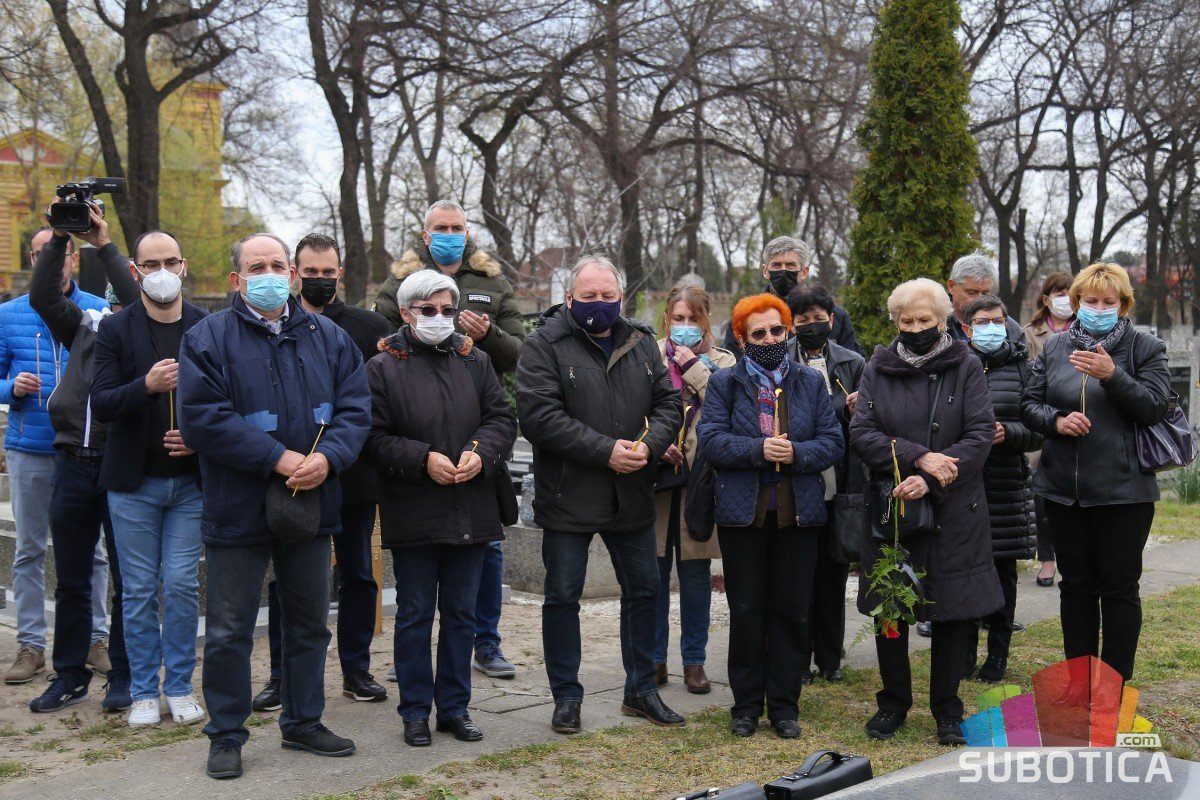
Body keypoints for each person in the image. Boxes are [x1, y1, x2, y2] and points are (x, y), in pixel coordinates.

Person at [178, 233, 371, 780]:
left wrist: (329, 458)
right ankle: (226, 733)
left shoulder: (330, 337)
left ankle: (304, 721)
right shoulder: (207, 337)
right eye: (255, 266)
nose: (268, 274)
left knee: (309, 622)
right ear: (236, 279)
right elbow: (202, 417)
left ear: (292, 275)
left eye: (277, 265)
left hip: (311, 501)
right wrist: (275, 458)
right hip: (237, 504)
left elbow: (356, 409)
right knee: (229, 630)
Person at [516, 254, 683, 734]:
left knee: (645, 591)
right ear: (569, 298)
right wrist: (605, 450)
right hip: (569, 494)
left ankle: (641, 690)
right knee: (562, 598)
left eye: (608, 295)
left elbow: (668, 403)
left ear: (621, 298)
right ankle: (566, 698)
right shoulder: (544, 344)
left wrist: (649, 446)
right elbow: (539, 417)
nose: (599, 303)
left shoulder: (641, 342)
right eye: (589, 296)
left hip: (631, 490)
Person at [364, 270, 517, 747]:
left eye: (448, 310)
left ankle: (454, 707)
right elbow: (373, 436)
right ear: (406, 313)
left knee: (461, 614)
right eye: (428, 310)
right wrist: (422, 459)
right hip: (415, 506)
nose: (439, 317)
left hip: (471, 504)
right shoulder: (382, 367)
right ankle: (414, 710)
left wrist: (480, 453)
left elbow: (501, 418)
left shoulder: (476, 360)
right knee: (414, 614)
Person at [373, 200, 524, 680]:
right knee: (417, 599)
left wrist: (487, 334)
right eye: (441, 227)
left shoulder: (492, 282)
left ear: (467, 231)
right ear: (425, 234)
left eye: (457, 227)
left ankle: (487, 642)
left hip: (472, 439)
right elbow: (380, 340)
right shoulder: (399, 282)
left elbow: (518, 352)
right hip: (417, 460)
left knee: (483, 560)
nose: (449, 234)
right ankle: (413, 669)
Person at [849, 277, 1002, 746]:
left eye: (924, 320)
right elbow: (863, 432)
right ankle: (893, 702)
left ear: (943, 319)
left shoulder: (966, 364)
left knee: (952, 609)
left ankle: (947, 709)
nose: (915, 328)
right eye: (906, 320)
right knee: (892, 606)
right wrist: (917, 458)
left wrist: (932, 478)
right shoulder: (878, 367)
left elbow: (980, 434)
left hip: (954, 506)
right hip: (894, 503)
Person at [252, 234, 392, 713]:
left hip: (352, 472)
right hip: (292, 473)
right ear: (295, 272)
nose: (319, 280)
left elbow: (373, 401)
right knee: (287, 580)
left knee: (358, 575)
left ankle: (356, 669)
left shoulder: (369, 327)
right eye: (310, 272)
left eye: (327, 272)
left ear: (340, 272)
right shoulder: (274, 323)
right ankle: (282, 675)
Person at [698, 293, 843, 739]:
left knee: (792, 612)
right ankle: (745, 706)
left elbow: (833, 442)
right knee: (746, 611)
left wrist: (795, 453)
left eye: (776, 330)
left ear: (788, 331)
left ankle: (783, 706)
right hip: (743, 516)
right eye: (757, 333)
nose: (769, 339)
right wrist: (759, 449)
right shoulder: (724, 383)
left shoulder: (810, 381)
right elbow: (711, 440)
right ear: (742, 339)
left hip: (799, 516)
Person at [1021, 263, 1170, 684]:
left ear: (1123, 304)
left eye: (1109, 301)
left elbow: (1155, 407)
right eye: (1091, 300)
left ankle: (1113, 684)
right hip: (1063, 489)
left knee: (1119, 589)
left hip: (1124, 492)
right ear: (1077, 302)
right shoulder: (1056, 346)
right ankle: (1080, 682)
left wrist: (1114, 376)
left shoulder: (1144, 347)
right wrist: (1056, 421)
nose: (1099, 308)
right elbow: (1029, 404)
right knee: (1076, 587)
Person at [90, 231, 209, 727]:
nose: (162, 272)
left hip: (191, 484)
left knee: (180, 585)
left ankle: (179, 685)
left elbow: (227, 400)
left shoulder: (206, 326)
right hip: (133, 484)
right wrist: (147, 385)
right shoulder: (115, 329)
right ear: (135, 271)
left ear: (184, 266)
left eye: (170, 261)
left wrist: (199, 439)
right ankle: (142, 689)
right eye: (151, 263)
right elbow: (102, 402)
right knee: (138, 590)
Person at [27, 206, 139, 714]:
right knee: (71, 578)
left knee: (127, 579)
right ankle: (70, 674)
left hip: (121, 465)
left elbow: (135, 301)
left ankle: (123, 673)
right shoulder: (85, 326)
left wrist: (104, 244)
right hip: (73, 462)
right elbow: (43, 297)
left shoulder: (140, 329)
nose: (114, 306)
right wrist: (58, 239)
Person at [2, 227, 112, 684]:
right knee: (29, 549)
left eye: (63, 252)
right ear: (35, 259)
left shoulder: (98, 310)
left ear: (73, 258)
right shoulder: (8, 314)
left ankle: (96, 639)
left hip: (86, 451)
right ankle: (31, 645)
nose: (53, 260)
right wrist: (10, 387)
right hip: (30, 448)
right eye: (41, 253)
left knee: (95, 553)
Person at [652, 282, 736, 694]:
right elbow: (632, 408)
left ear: (706, 321)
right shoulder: (649, 355)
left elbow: (728, 404)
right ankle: (653, 658)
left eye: (693, 319)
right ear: (667, 319)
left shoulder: (723, 361)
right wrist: (653, 444)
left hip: (701, 482)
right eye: (678, 318)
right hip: (656, 480)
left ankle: (694, 661)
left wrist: (692, 367)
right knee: (653, 573)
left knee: (696, 574)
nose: (684, 326)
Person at [958, 295, 1042, 684]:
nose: (991, 328)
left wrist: (1008, 433)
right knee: (963, 570)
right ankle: (963, 652)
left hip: (1005, 483)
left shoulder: (1024, 368)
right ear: (966, 328)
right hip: (962, 482)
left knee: (1002, 572)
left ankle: (997, 654)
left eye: (997, 321)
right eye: (982, 321)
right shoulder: (954, 365)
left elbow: (1038, 428)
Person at [785, 284, 866, 684]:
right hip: (796, 481)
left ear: (832, 321)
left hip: (840, 479)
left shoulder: (852, 363)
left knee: (834, 572)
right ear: (792, 324)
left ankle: (830, 658)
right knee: (798, 574)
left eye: (819, 319)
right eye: (803, 320)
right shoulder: (782, 360)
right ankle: (797, 659)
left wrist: (859, 410)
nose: (812, 326)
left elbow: (872, 423)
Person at [722, 236, 860, 357]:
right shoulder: (746, 317)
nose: (783, 271)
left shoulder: (833, 316)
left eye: (790, 265)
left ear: (804, 271)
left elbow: (850, 363)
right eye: (776, 265)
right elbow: (733, 364)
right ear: (765, 270)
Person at [1022, 272, 1074, 588]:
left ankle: (1073, 555)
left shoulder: (1085, 331)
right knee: (1041, 494)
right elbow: (1029, 381)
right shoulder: (1030, 334)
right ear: (1046, 298)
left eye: (1070, 292)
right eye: (1060, 293)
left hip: (1079, 421)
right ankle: (1048, 558)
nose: (1066, 299)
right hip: (1042, 421)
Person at [945, 251, 1023, 342]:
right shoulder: (936, 324)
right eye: (971, 292)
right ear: (951, 286)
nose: (979, 300)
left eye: (985, 293)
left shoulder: (1010, 328)